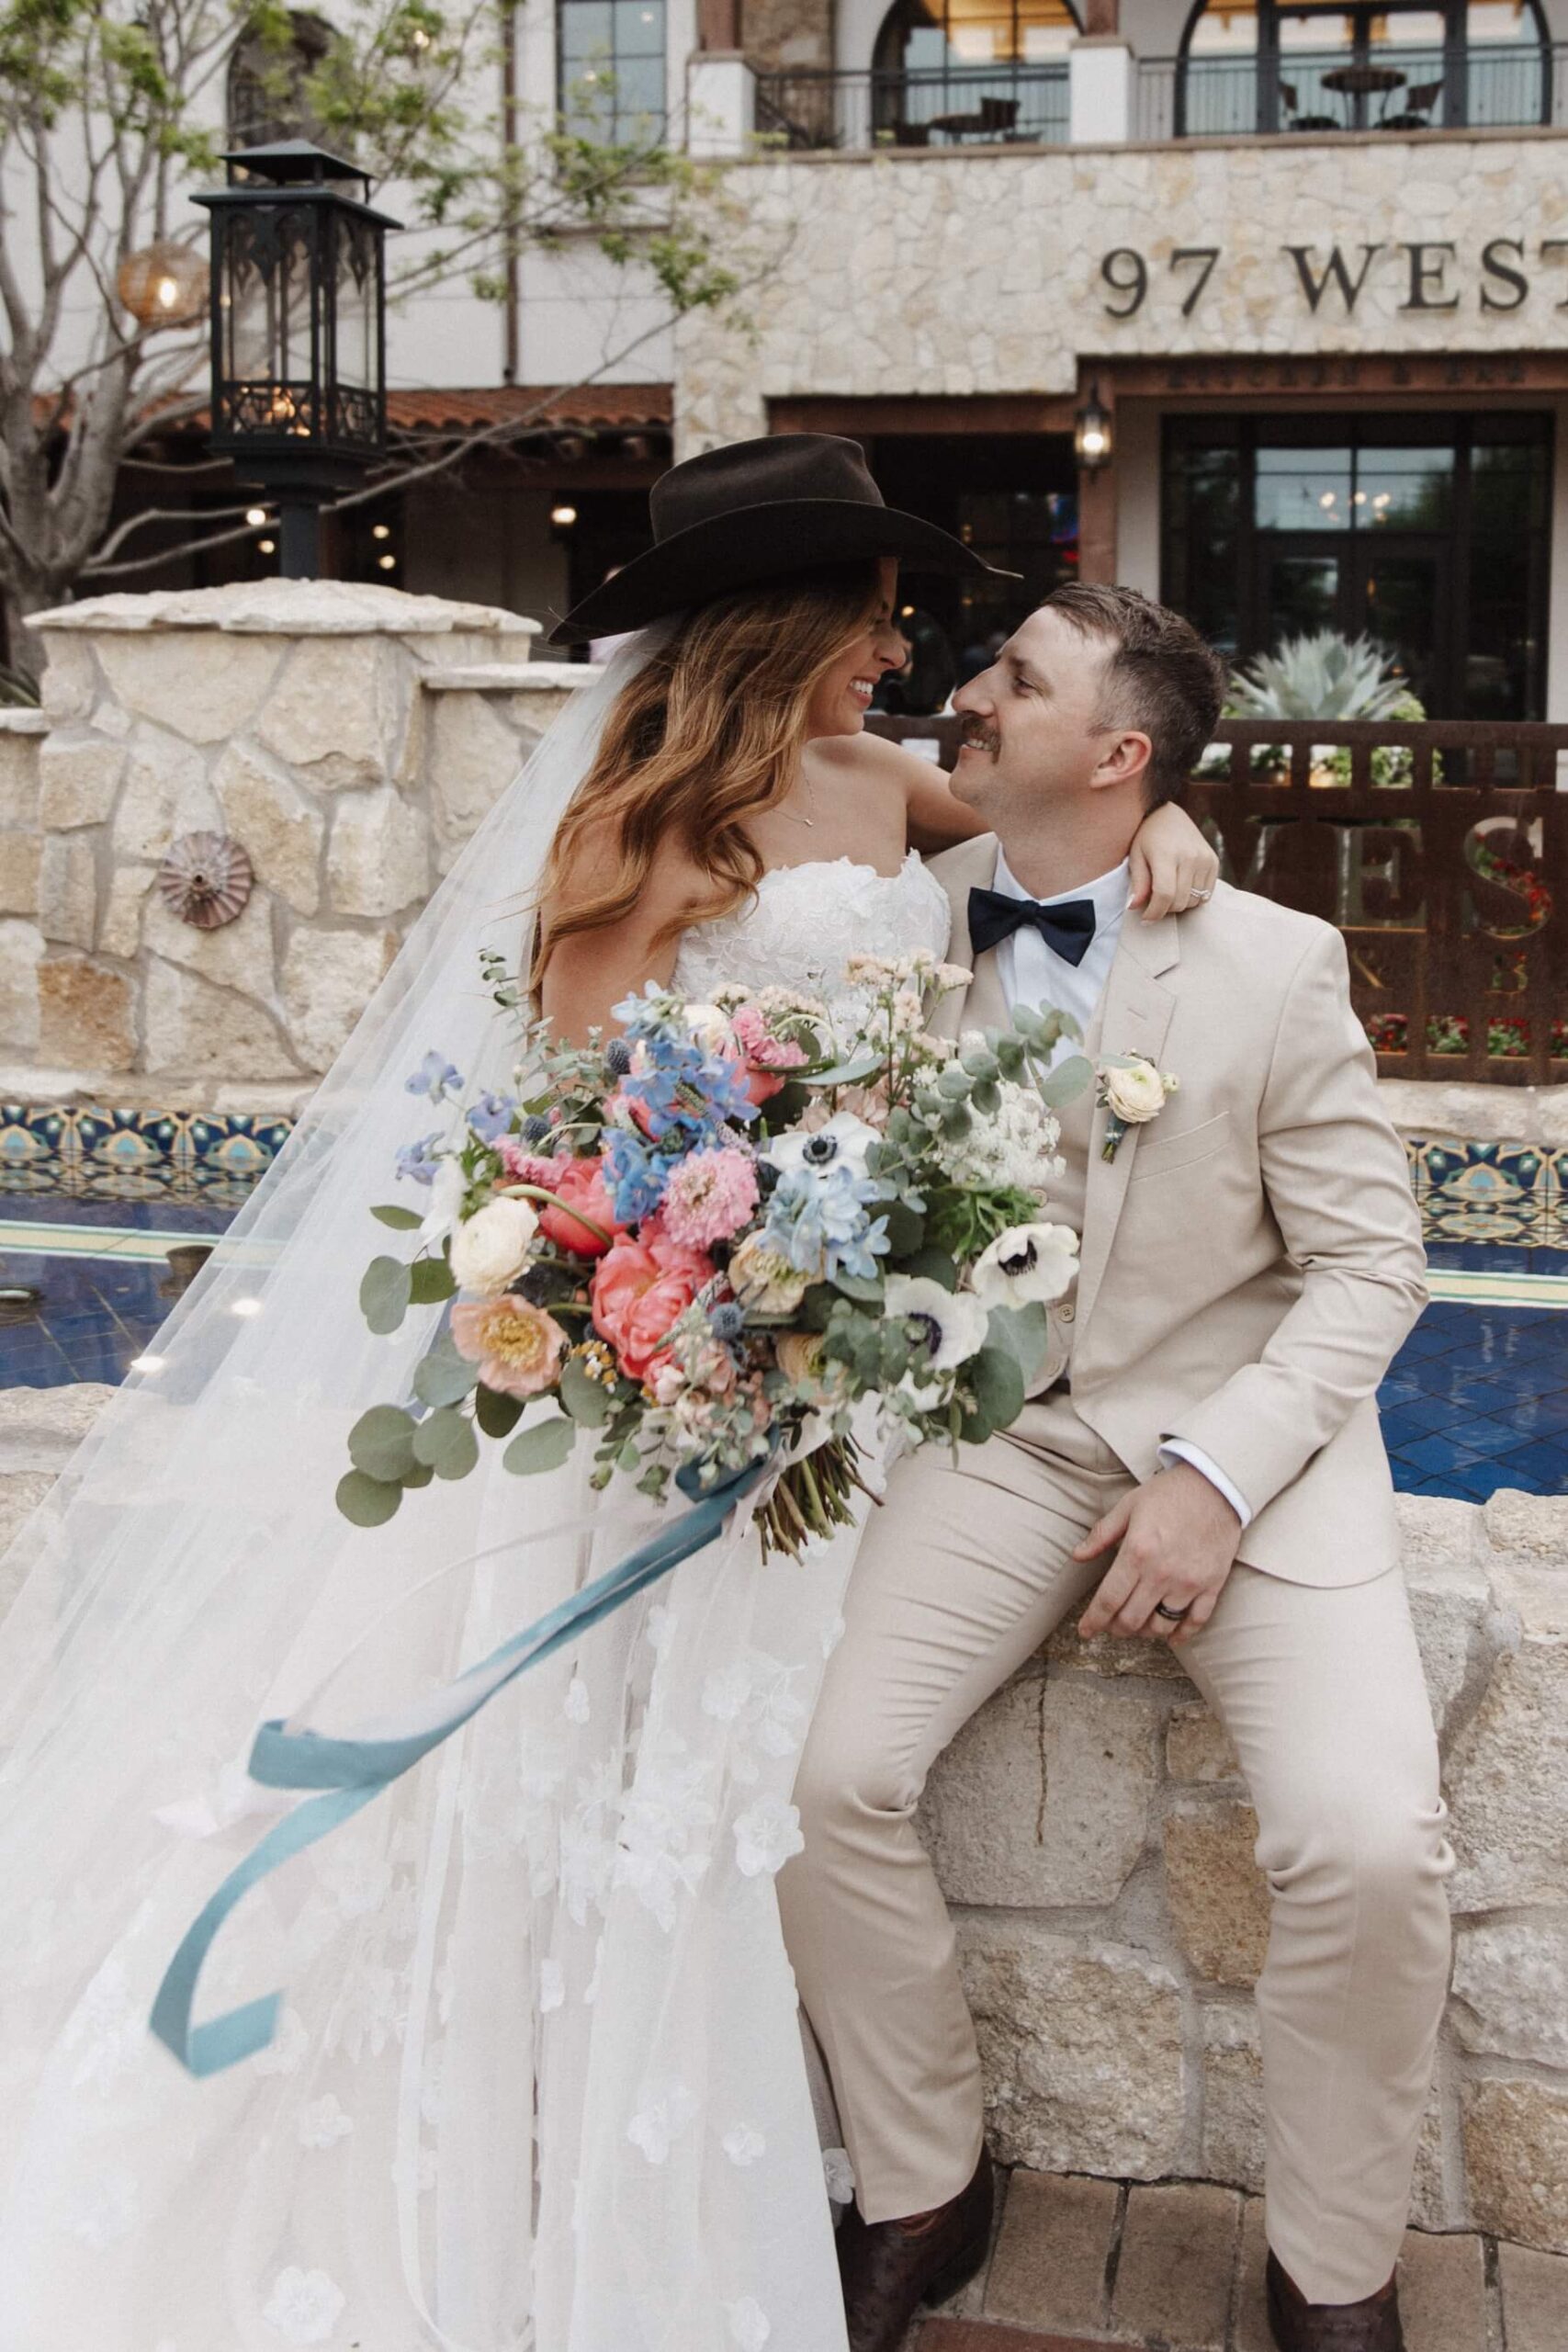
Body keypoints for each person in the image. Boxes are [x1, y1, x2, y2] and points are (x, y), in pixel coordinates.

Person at [0, 444, 1215, 2352]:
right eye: (873, 614)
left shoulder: (885, 784)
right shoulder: (635, 826)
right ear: (786, 623)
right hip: (681, 1376)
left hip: (847, 1366)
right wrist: (702, 1302)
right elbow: (568, 1144)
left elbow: (1024, 868)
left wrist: (1167, 846)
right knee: (631, 1776)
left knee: (757, 1772)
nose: (903, 653)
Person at [778, 583, 1449, 2352]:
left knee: (1368, 1842)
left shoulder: (1272, 960)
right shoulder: (896, 926)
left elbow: (1376, 1265)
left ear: (1121, 755)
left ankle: (1335, 2273)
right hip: (998, 1436)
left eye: (1017, 679)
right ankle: (926, 2176)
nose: (969, 697)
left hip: (1245, 1446)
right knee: (821, 1776)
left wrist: (1217, 1475)